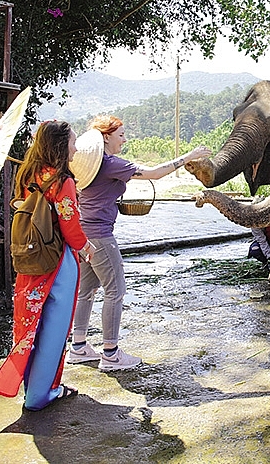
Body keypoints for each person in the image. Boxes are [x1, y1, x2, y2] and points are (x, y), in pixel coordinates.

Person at [67, 115, 211, 370]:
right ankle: (110, 353)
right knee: (116, 291)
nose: (124, 139)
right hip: (101, 236)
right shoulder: (110, 163)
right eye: (121, 135)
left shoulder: (88, 165)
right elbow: (155, 173)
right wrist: (189, 155)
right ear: (107, 137)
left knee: (86, 290)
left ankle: (78, 347)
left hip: (83, 233)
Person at [0, 120, 95, 410]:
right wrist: (87, 248)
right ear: (61, 147)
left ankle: (32, 388)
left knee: (29, 324)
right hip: (57, 262)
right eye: (72, 142)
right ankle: (41, 394)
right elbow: (70, 226)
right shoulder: (63, 181)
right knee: (54, 330)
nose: (75, 148)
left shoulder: (28, 174)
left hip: (29, 259)